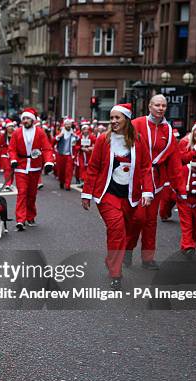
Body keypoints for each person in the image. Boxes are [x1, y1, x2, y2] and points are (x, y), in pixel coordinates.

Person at [81, 103, 155, 290]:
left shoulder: (138, 140)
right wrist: (87, 193)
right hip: (108, 195)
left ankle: (122, 252)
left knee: (139, 220)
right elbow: (94, 168)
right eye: (111, 118)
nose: (113, 121)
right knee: (116, 230)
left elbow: (146, 167)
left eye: (117, 118)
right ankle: (116, 273)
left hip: (132, 195)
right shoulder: (103, 140)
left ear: (126, 120)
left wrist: (147, 190)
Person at [126, 95, 182, 270]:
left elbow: (174, 160)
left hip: (157, 181)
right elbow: (122, 147)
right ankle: (127, 250)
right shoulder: (136, 124)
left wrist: (180, 187)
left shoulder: (168, 130)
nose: (160, 108)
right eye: (157, 105)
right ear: (149, 106)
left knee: (151, 221)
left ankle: (148, 258)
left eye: (164, 105)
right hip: (136, 180)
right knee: (137, 219)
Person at [8, 107, 54, 230]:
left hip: (34, 167)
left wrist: (49, 162)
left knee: (31, 194)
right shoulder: (17, 132)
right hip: (21, 167)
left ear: (33, 120)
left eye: (28, 118)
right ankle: (20, 220)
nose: (25, 120)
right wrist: (13, 160)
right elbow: (12, 149)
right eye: (24, 118)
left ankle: (30, 216)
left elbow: (47, 148)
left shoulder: (40, 132)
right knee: (22, 193)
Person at [54, 117, 79, 191]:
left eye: (69, 124)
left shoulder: (73, 133)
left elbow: (78, 141)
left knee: (69, 170)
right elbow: (53, 141)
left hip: (69, 155)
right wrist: (59, 136)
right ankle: (62, 181)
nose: (68, 125)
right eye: (67, 124)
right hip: (61, 154)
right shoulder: (61, 132)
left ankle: (67, 185)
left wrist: (75, 136)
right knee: (61, 171)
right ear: (64, 125)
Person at [76, 120, 96, 185]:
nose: (86, 131)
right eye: (84, 129)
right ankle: (82, 180)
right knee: (82, 167)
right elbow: (75, 146)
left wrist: (91, 148)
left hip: (89, 154)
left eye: (87, 129)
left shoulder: (92, 137)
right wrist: (81, 148)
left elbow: (96, 144)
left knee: (88, 167)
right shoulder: (79, 137)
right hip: (81, 154)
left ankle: (87, 180)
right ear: (82, 130)